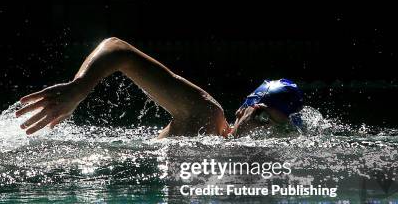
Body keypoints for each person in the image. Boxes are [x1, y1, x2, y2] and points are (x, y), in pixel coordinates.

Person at [16, 37, 304, 138]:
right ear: (243, 110)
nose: (262, 133)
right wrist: (79, 88)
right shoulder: (204, 116)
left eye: (277, 129)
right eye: (261, 117)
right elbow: (118, 51)